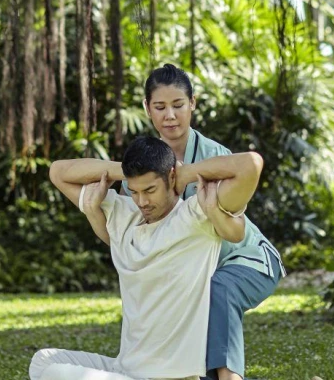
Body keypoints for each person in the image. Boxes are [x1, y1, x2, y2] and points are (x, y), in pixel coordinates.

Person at [30, 137, 264, 380]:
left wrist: (186, 173)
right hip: (126, 370)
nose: (142, 201)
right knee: (42, 362)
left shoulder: (196, 217)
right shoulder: (122, 214)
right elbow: (58, 172)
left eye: (150, 190)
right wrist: (124, 171)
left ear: (171, 177)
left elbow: (250, 165)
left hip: (168, 377)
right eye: (134, 191)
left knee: (57, 373)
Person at [118, 64, 284, 380]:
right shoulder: (140, 167)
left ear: (192, 103)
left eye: (178, 105)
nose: (170, 116)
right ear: (147, 109)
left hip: (245, 260)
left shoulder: (216, 155)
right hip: (192, 278)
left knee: (219, 288)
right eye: (160, 107)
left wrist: (188, 174)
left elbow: (234, 229)